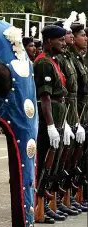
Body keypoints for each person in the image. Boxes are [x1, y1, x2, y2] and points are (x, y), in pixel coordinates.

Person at [34, 25, 75, 223]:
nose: (63, 43)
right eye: (59, 40)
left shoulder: (53, 61)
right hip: (48, 117)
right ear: (49, 41)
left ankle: (48, 201)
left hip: (59, 114)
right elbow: (45, 97)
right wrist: (50, 125)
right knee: (44, 161)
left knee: (54, 163)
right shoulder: (43, 63)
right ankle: (39, 206)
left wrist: (64, 122)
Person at [53, 21, 86, 214]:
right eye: (70, 35)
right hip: (66, 111)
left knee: (75, 157)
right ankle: (53, 198)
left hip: (77, 109)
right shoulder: (61, 60)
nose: (72, 39)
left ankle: (68, 196)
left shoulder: (76, 59)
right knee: (60, 157)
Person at [70, 22, 88, 208]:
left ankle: (75, 195)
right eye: (83, 35)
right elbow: (71, 93)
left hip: (82, 111)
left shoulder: (79, 59)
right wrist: (75, 119)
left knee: (79, 155)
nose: (86, 39)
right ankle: (57, 198)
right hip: (74, 112)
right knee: (68, 157)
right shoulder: (72, 59)